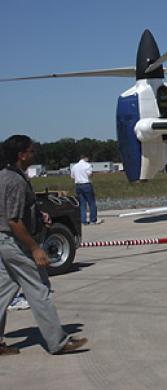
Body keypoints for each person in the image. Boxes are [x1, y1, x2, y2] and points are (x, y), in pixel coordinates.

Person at [0, 135, 88, 355]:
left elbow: (11, 211)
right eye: (31, 151)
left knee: (4, 291)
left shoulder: (4, 176)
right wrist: (35, 248)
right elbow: (14, 221)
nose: (34, 154)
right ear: (21, 155)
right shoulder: (16, 181)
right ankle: (57, 342)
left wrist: (38, 215)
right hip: (16, 243)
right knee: (40, 290)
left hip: (4, 241)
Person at [70, 155, 100, 225]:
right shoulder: (87, 165)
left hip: (78, 185)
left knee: (82, 204)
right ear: (85, 158)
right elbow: (89, 174)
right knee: (91, 203)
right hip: (86, 184)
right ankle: (93, 220)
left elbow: (72, 176)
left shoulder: (74, 166)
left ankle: (83, 220)